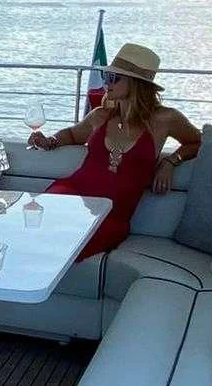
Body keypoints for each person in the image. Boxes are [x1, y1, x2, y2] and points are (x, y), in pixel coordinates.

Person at [27, 42, 201, 260]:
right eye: (107, 76)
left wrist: (170, 162)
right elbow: (72, 135)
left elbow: (199, 142)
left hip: (111, 214)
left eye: (114, 78)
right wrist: (48, 141)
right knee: (33, 224)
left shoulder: (166, 119)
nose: (106, 83)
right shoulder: (100, 115)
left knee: (64, 244)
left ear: (136, 83)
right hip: (73, 192)